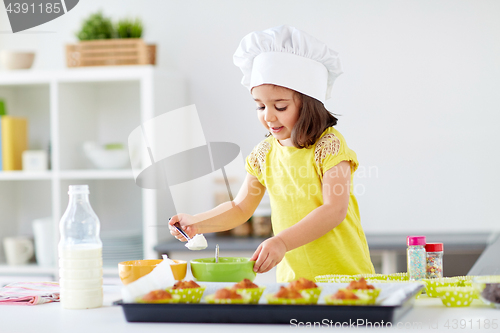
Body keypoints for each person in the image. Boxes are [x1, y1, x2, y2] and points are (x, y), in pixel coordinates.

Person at [169, 25, 375, 282]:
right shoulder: (264, 153)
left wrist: (281, 242)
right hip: (294, 281)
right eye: (259, 106)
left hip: (344, 276)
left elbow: (334, 210)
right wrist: (197, 223)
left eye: (280, 106)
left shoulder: (329, 146)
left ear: (309, 103)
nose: (268, 116)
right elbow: (240, 207)